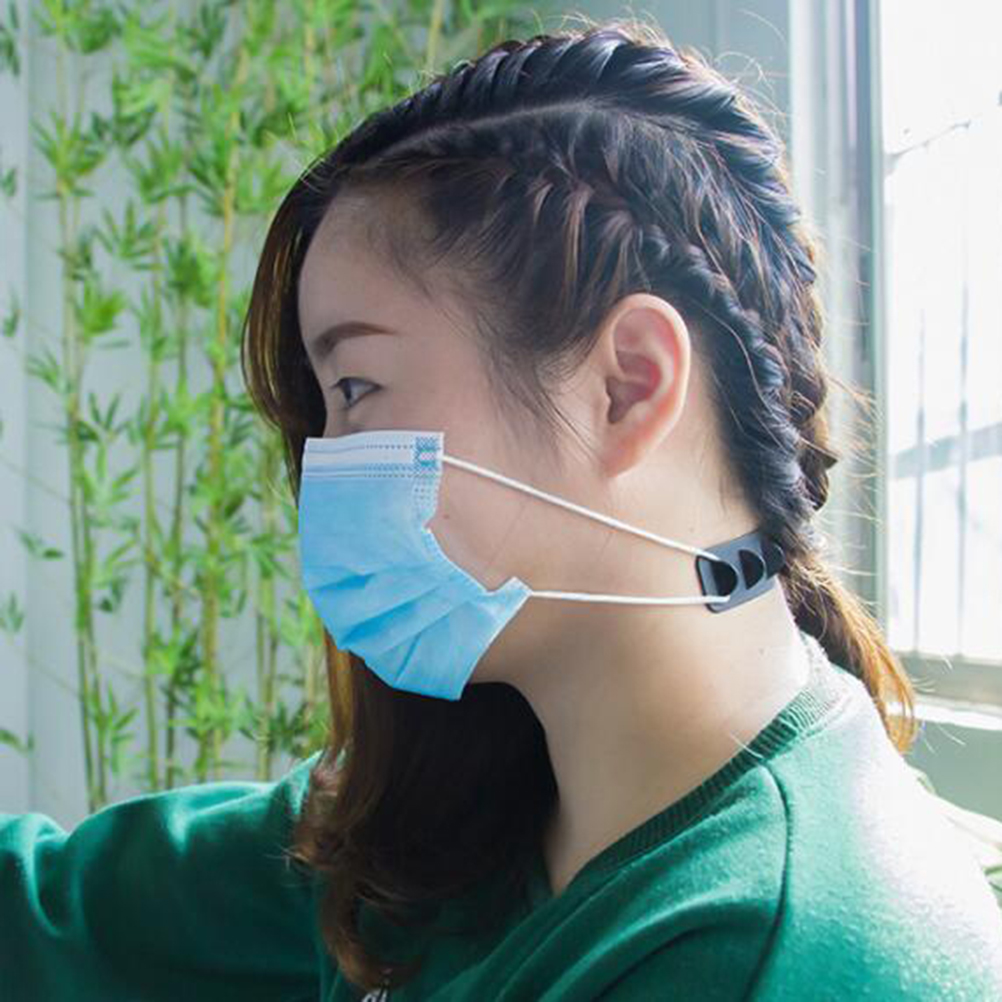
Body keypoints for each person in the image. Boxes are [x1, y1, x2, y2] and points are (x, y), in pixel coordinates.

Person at [3, 15, 1001, 1002]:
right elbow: (52, 913)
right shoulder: (469, 810)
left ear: (628, 386)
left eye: (356, 389)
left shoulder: (759, 956)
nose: (323, 470)